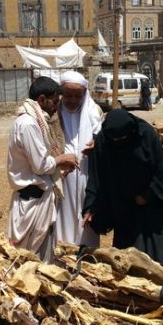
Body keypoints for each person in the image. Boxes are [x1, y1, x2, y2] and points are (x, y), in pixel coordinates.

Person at [83, 108, 163, 274]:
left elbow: (160, 170)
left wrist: (147, 194)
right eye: (115, 139)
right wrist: (91, 205)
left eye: (123, 138)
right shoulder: (103, 140)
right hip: (124, 208)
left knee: (161, 260)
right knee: (128, 259)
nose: (119, 141)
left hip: (154, 207)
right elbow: (97, 176)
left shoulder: (146, 135)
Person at [7, 76, 79, 262]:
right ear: (41, 100)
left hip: (37, 198)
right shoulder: (29, 124)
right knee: (33, 258)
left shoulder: (31, 121)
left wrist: (59, 169)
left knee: (39, 253)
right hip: (33, 202)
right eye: (54, 102)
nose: (56, 107)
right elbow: (40, 166)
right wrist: (62, 158)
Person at [55, 71, 103, 247]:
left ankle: (87, 257)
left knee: (86, 216)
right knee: (62, 216)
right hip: (62, 175)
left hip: (86, 175)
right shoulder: (54, 112)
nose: (73, 99)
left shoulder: (94, 111)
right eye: (68, 95)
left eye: (78, 95)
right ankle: (61, 256)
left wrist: (97, 143)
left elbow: (103, 137)